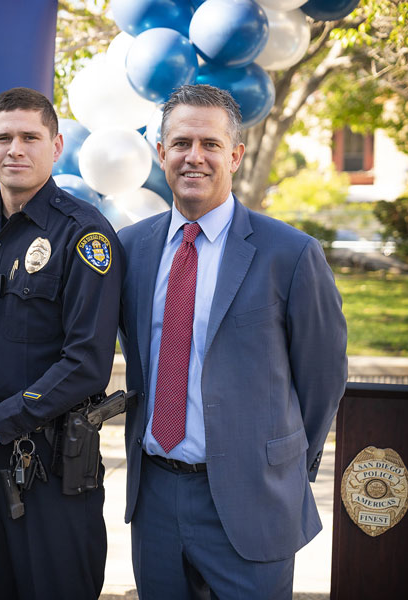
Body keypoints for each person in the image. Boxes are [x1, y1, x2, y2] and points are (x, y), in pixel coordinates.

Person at [117, 84, 348, 599]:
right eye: (180, 144)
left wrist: (280, 468)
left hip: (253, 503)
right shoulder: (130, 250)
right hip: (154, 499)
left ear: (236, 155)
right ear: (161, 153)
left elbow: (323, 379)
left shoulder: (290, 254)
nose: (193, 157)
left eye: (210, 144)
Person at [0, 87, 123, 599]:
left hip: (50, 467)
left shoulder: (85, 235)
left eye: (30, 137)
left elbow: (87, 363)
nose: (15, 149)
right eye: (4, 138)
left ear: (56, 146)